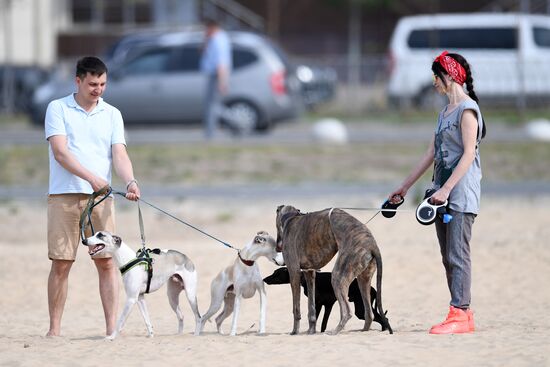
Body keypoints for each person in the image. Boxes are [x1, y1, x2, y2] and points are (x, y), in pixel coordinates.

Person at [388, 51, 486, 334]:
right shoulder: (444, 113)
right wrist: (405, 187)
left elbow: (469, 155)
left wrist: (446, 189)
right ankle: (460, 311)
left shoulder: (468, 110)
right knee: (447, 256)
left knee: (458, 254)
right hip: (440, 195)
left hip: (459, 194)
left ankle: (461, 313)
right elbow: (431, 153)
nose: (434, 83)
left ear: (450, 76)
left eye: (436, 77)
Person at [45, 56, 141, 337]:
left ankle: (111, 328)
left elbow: (119, 153)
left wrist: (130, 181)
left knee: (107, 262)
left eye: (102, 84)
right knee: (61, 263)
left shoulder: (112, 114)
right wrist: (92, 177)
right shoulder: (58, 108)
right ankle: (54, 329)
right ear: (78, 81)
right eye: (92, 84)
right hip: (64, 196)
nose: (98, 89)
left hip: (101, 199)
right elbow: (61, 152)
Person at [200, 17, 232, 139]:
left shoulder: (219, 41)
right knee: (212, 105)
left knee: (213, 105)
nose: (204, 32)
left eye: (206, 29)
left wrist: (222, 81)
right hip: (214, 74)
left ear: (212, 27)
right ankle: (210, 132)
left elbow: (221, 63)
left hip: (217, 75)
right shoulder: (213, 40)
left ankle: (211, 133)